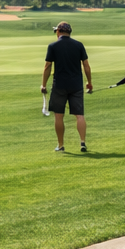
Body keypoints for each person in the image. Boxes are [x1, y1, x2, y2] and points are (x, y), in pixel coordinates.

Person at [41, 21, 92, 153]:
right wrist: (89, 82)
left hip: (59, 85)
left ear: (58, 32)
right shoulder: (79, 45)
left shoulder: (53, 46)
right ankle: (82, 142)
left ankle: (61, 145)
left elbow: (47, 66)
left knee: (59, 116)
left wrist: (43, 84)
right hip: (76, 85)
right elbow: (86, 66)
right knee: (79, 115)